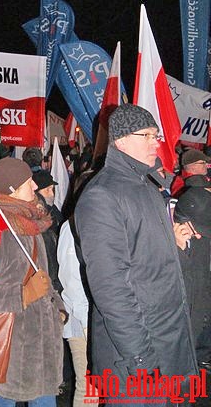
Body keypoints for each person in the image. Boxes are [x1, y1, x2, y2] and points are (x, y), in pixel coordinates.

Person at [75, 104, 198, 406]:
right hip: (133, 359)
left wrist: (175, 246)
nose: (156, 142)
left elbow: (152, 267)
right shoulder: (102, 197)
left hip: (166, 344)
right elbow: (111, 289)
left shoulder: (148, 188)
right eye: (148, 135)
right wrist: (141, 358)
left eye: (156, 135)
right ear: (121, 140)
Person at [0, 156, 65, 407]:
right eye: (29, 182)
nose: (36, 187)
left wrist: (59, 310)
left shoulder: (32, 223)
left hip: (44, 347)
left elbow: (43, 279)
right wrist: (22, 295)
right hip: (9, 351)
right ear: (12, 189)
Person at [174, 173, 211, 371]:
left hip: (198, 326)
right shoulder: (164, 244)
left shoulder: (202, 239)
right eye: (198, 230)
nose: (200, 235)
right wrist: (178, 250)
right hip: (175, 335)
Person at [57, 216, 93, 407]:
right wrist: (86, 322)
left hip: (98, 318)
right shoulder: (72, 226)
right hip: (81, 320)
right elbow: (70, 279)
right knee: (88, 387)